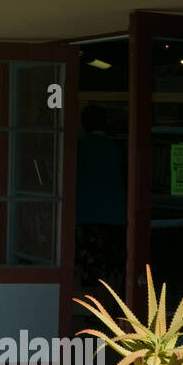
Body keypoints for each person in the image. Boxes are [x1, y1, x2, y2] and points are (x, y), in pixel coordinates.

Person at [75, 104, 126, 292]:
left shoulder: (78, 148)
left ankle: (90, 308)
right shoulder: (119, 148)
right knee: (113, 267)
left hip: (85, 215)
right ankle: (111, 307)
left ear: (84, 124)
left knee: (89, 267)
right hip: (117, 216)